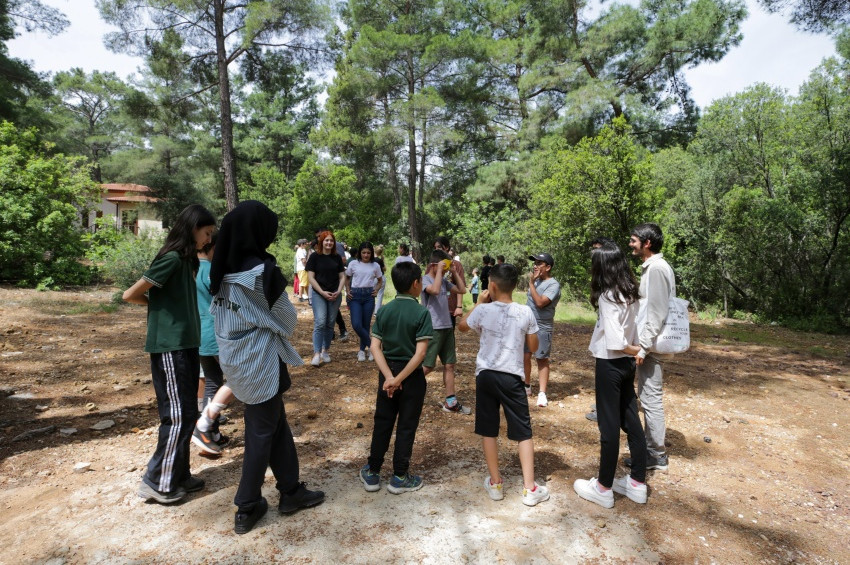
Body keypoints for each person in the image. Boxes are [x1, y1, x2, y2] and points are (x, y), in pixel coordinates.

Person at [210, 200, 324, 534]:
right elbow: (287, 320)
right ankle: (247, 505)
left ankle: (290, 490)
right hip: (260, 360)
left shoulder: (221, 267)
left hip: (234, 357)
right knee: (261, 430)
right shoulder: (262, 272)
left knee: (274, 423)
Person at [123, 204, 216, 504]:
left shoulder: (188, 261)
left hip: (188, 345)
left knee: (188, 413)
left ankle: (178, 474)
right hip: (170, 347)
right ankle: (156, 481)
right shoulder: (172, 258)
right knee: (176, 416)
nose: (208, 239)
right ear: (193, 228)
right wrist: (158, 308)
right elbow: (131, 294)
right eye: (206, 233)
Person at [458, 263, 550, 507]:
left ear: (492, 286)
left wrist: (479, 303)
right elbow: (533, 347)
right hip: (512, 376)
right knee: (523, 431)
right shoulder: (525, 312)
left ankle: (496, 483)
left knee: (488, 429)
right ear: (514, 286)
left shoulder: (483, 310)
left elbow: (462, 326)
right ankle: (530, 488)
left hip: (486, 375)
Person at [573, 245, 648, 509]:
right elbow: (635, 329)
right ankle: (637, 482)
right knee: (631, 421)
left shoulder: (608, 296)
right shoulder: (631, 291)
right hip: (627, 366)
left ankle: (603, 487)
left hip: (610, 364)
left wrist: (636, 349)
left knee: (608, 426)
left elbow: (616, 342)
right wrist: (638, 350)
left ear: (603, 266)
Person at [359, 261, 433, 494]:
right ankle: (400, 476)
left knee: (383, 422)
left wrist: (390, 378)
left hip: (387, 374)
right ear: (416, 283)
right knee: (406, 426)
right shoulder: (422, 313)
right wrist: (399, 379)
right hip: (411, 376)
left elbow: (374, 347)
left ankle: (373, 472)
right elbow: (420, 354)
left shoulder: (384, 310)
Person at [627, 223, 675, 472]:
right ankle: (652, 450)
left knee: (651, 398)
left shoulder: (656, 269)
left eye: (634, 240)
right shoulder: (654, 267)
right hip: (651, 343)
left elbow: (656, 312)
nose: (630, 244)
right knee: (647, 396)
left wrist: (643, 347)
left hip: (652, 345)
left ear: (647, 243)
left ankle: (656, 454)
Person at [191, 233, 235, 457]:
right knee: (235, 379)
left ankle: (213, 432)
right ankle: (205, 428)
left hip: (199, 332)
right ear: (213, 246)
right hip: (214, 333)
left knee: (213, 380)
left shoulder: (192, 268)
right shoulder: (211, 271)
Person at [421, 249, 469, 414]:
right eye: (444, 265)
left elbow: (462, 290)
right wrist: (440, 270)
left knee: (449, 365)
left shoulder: (443, 281)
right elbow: (434, 291)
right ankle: (404, 388)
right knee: (427, 366)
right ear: (434, 265)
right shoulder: (425, 280)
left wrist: (454, 273)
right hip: (433, 328)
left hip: (447, 326)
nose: (446, 269)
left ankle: (451, 402)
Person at [585, 237, 620, 423]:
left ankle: (605, 410)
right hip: (612, 345)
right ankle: (603, 406)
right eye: (593, 250)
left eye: (597, 250)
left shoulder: (611, 288)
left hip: (613, 349)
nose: (593, 254)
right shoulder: (609, 282)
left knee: (608, 374)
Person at [524, 252, 561, 407]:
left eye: (539, 263)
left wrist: (531, 284)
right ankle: (526, 386)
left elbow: (540, 303)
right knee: (525, 355)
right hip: (527, 324)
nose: (535, 266)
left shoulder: (553, 285)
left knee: (541, 358)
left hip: (542, 326)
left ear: (548, 267)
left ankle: (542, 393)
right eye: (535, 263)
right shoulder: (537, 281)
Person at [306, 230, 346, 366]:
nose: (329, 243)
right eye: (326, 240)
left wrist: (339, 291)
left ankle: (325, 350)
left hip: (335, 294)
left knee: (330, 323)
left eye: (331, 240)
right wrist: (322, 292)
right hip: (319, 294)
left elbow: (342, 276)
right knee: (320, 322)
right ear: (321, 242)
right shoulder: (314, 257)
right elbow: (311, 278)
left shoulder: (337, 257)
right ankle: (317, 353)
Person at [345, 241, 384, 362]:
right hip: (355, 296)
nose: (366, 255)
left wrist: (376, 290)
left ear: (371, 253)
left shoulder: (375, 265)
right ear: (359, 253)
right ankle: (373, 347)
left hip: (368, 296)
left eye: (368, 253)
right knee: (356, 324)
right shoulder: (353, 263)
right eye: (363, 252)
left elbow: (380, 280)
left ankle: (362, 350)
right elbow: (347, 278)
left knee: (366, 325)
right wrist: (347, 290)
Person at [434, 236, 466, 327]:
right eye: (435, 248)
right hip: (435, 307)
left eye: (439, 247)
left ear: (447, 247)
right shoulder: (433, 265)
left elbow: (460, 287)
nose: (437, 250)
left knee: (448, 333)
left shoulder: (456, 265)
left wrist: (459, 306)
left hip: (450, 307)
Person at [373, 244, 387, 314]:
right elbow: (384, 269)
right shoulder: (380, 260)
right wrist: (383, 260)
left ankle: (370, 309)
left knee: (372, 293)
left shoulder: (371, 260)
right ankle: (377, 311)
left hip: (373, 278)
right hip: (381, 277)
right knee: (380, 295)